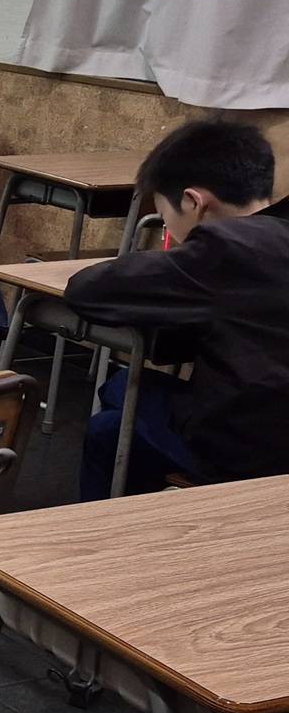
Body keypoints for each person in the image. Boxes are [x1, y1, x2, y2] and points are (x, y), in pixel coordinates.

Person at [64, 119, 289, 498]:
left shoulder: (225, 247)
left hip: (255, 451)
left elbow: (88, 289)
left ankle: (119, 529)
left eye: (169, 222)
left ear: (193, 202)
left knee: (114, 406)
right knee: (116, 409)